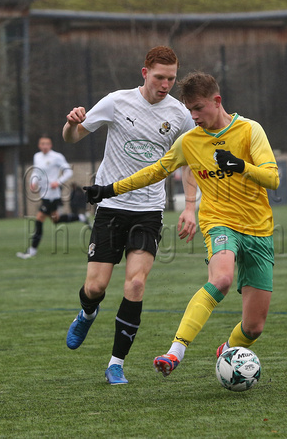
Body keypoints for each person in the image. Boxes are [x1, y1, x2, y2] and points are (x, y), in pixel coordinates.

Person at [83, 71, 280, 378]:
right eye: (189, 110)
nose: (194, 116)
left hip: (259, 229)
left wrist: (241, 166)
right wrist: (108, 190)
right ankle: (176, 352)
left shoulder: (250, 130)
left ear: (217, 101)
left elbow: (273, 178)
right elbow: (154, 171)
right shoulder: (189, 142)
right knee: (223, 279)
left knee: (254, 327)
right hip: (219, 223)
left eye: (199, 108)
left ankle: (227, 348)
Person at [63, 46, 197, 385]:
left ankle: (115, 364)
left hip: (150, 210)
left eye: (171, 78)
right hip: (110, 208)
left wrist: (191, 206)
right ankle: (88, 311)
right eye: (159, 77)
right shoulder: (116, 101)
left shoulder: (180, 115)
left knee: (136, 283)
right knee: (95, 287)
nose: (166, 84)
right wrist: (70, 123)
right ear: (144, 73)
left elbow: (190, 162)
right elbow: (73, 137)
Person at [16, 136, 89, 259]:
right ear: (39, 145)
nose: (44, 146)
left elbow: (68, 171)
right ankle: (80, 217)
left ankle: (32, 250)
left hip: (53, 195)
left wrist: (58, 182)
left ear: (50, 145)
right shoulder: (37, 156)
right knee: (56, 219)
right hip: (43, 193)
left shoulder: (57, 156)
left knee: (39, 219)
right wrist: (33, 182)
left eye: (47, 144)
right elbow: (36, 172)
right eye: (42, 143)